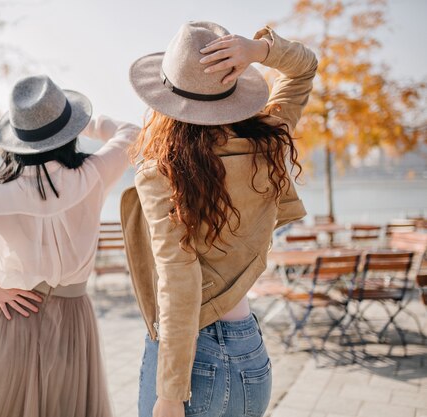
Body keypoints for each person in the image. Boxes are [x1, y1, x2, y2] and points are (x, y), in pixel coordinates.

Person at [0, 74, 139, 417]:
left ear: (17, 141)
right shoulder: (93, 175)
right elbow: (133, 133)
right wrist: (83, 123)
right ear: (68, 134)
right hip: (74, 318)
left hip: (12, 312)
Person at [120, 22, 317, 417]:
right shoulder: (267, 141)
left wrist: (171, 393)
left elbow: (179, 281)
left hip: (193, 357)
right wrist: (259, 51)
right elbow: (305, 67)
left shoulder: (162, 173)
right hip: (250, 350)